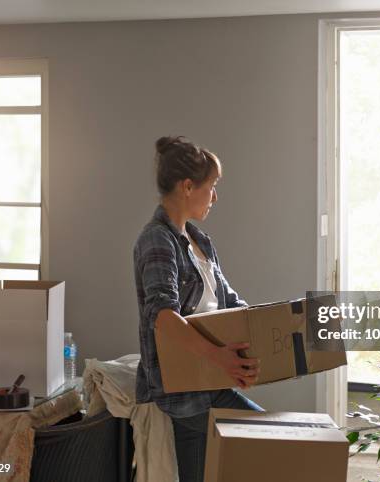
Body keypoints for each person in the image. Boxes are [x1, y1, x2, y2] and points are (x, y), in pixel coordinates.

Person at [134, 136, 263, 482]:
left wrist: (264, 331)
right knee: (273, 441)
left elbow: (230, 303)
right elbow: (162, 316)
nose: (215, 197)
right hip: (185, 390)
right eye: (212, 186)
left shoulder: (199, 241)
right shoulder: (156, 240)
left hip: (209, 381)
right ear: (188, 187)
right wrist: (221, 357)